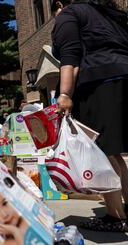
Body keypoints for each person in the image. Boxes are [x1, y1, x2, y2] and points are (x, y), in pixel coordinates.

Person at [51, 0, 128, 231]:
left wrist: (64, 94)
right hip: (122, 77)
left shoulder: (68, 14)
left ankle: (116, 217)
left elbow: (70, 57)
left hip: (99, 82)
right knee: (115, 152)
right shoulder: (106, 15)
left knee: (102, 152)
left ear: (58, 4)